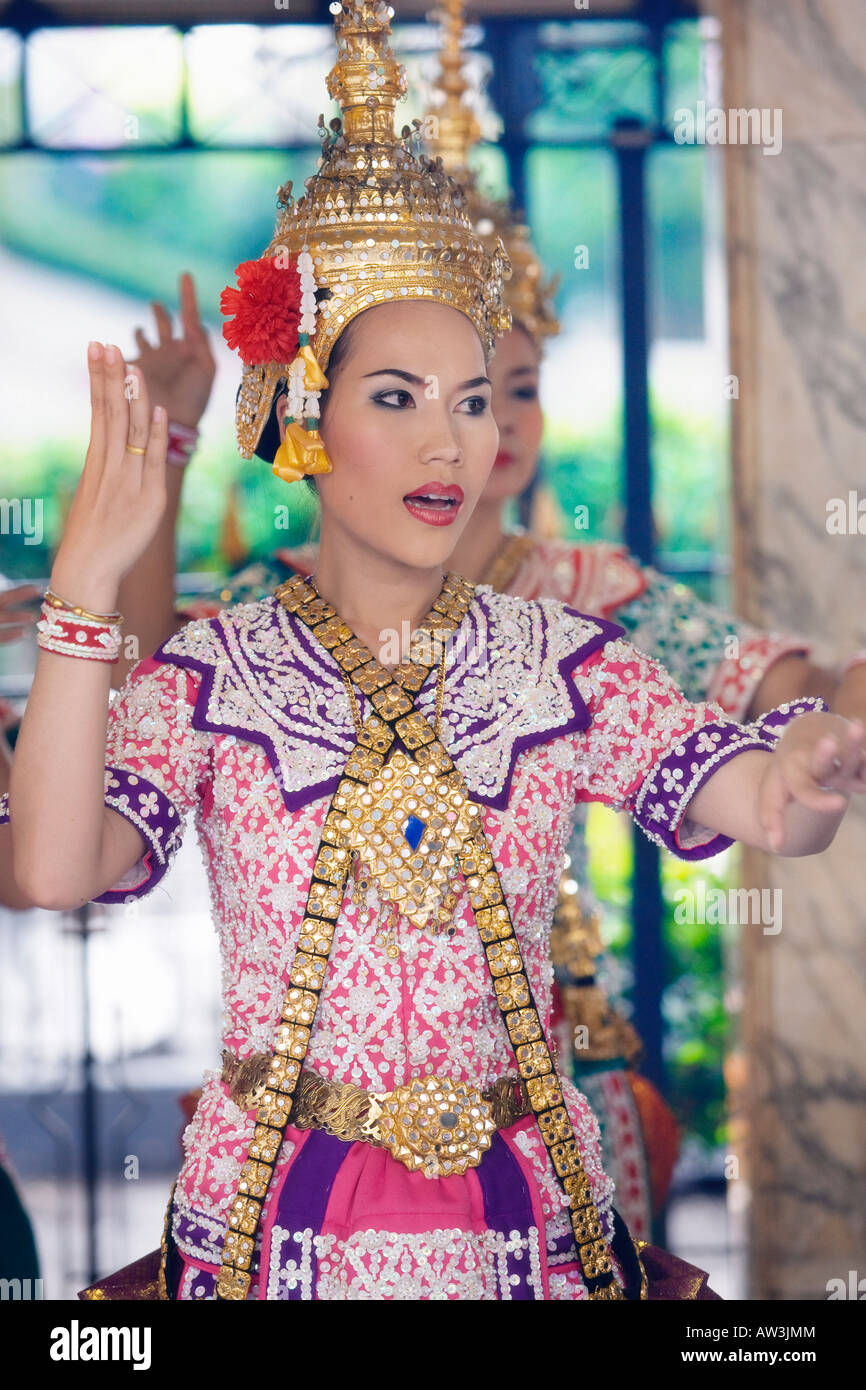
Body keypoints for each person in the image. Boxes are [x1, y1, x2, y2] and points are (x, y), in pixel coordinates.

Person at [3, 3, 865, 1302]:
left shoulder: (562, 652)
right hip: (279, 1217)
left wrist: (800, 779)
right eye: (395, 400)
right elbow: (53, 866)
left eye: (474, 400)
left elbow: (754, 798)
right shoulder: (220, 662)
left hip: (526, 1216)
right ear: (302, 414)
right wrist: (82, 585)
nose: (453, 444)